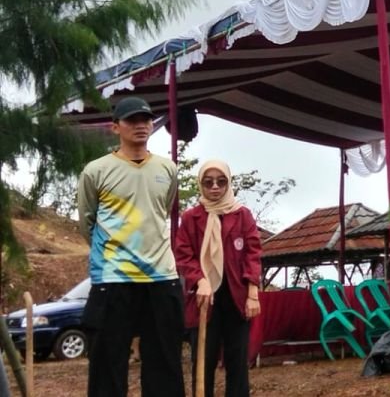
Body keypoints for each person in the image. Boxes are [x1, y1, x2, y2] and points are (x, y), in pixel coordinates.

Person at [77, 96, 185, 397]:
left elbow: (162, 211)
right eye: (132, 120)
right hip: (113, 277)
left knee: (165, 364)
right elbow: (87, 221)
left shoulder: (168, 169)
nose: (141, 125)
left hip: (161, 276)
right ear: (115, 127)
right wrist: (112, 253)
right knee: (107, 365)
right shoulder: (96, 171)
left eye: (146, 119)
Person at [174, 159, 263, 397]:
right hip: (204, 300)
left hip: (236, 299)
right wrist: (200, 280)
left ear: (228, 183)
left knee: (237, 364)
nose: (215, 187)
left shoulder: (242, 215)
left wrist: (252, 293)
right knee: (203, 363)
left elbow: (253, 253)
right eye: (208, 182)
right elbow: (183, 255)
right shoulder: (191, 217)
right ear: (200, 184)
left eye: (221, 181)